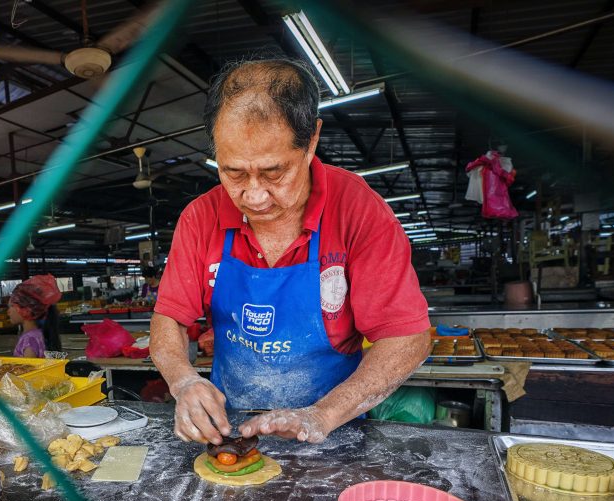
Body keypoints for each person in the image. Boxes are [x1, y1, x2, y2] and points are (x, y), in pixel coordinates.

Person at [150, 59, 431, 446]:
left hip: (333, 430)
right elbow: (169, 318)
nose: (253, 195)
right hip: (229, 432)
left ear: (311, 140)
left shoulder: (358, 211)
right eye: (233, 173)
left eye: (273, 172)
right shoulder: (200, 218)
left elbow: (406, 338)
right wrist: (183, 382)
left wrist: (322, 415)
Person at [7, 274, 62, 358]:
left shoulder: (29, 340)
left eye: (11, 306)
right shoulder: (39, 334)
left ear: (25, 310)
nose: (8, 312)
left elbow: (29, 370)